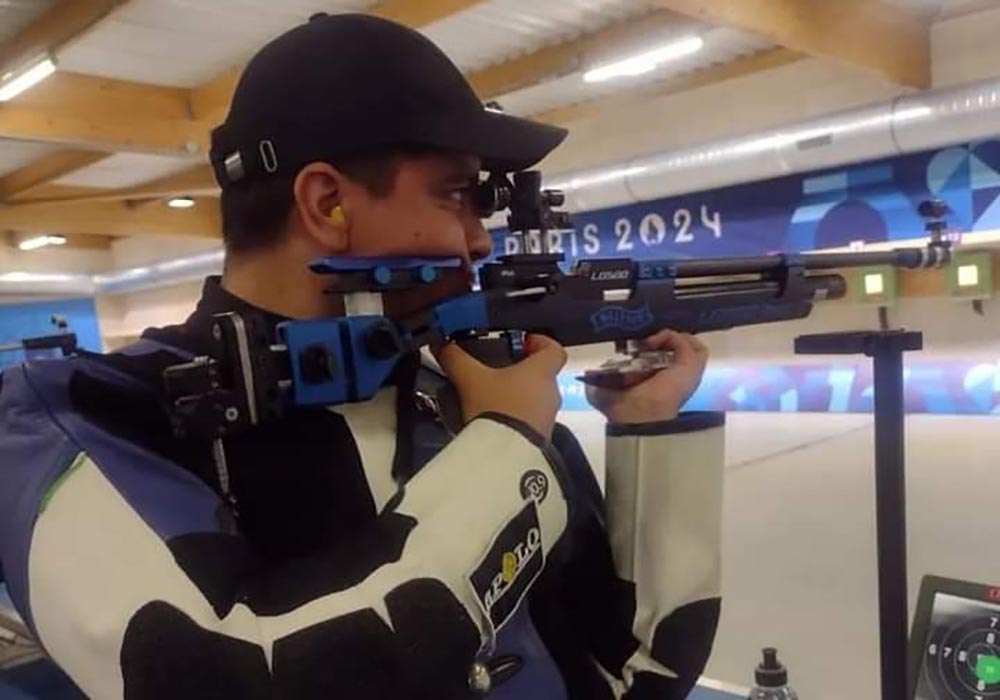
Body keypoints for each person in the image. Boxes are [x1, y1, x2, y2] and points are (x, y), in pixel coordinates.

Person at [0, 13, 725, 700]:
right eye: (456, 194)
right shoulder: (79, 418)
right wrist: (505, 447)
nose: (479, 240)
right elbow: (227, 676)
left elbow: (638, 671)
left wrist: (648, 430)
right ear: (326, 204)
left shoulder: (463, 397)